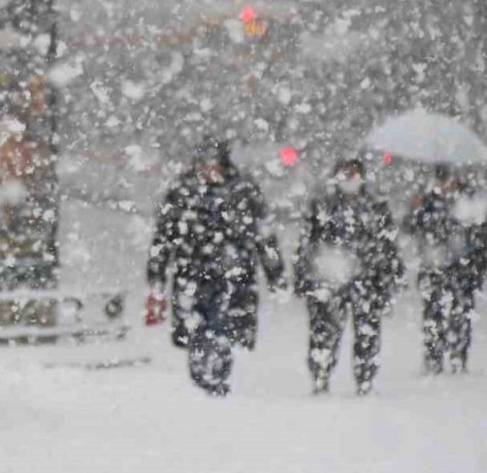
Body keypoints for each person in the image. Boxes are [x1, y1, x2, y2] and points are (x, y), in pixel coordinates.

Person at [146, 137, 285, 395]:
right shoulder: (182, 192)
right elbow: (163, 239)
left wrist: (276, 274)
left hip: (232, 277)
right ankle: (204, 376)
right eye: (204, 164)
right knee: (198, 328)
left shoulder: (242, 191)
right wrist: (156, 277)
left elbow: (264, 236)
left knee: (223, 327)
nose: (209, 171)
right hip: (193, 274)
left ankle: (216, 378)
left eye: (214, 164)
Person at [293, 159, 405, 394]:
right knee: (324, 331)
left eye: (353, 175)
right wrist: (303, 276)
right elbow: (307, 243)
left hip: (367, 279)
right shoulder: (323, 205)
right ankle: (321, 374)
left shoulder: (375, 206)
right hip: (329, 278)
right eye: (345, 175)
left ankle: (365, 378)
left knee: (367, 331)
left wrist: (393, 273)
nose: (350, 180)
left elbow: (388, 244)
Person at [403, 165, 486, 374]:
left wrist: (477, 262)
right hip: (435, 266)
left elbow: (481, 234)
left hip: (463, 268)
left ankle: (459, 357)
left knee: (462, 314)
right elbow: (411, 227)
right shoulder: (428, 202)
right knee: (433, 314)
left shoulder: (470, 201)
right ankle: (434, 358)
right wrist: (414, 209)